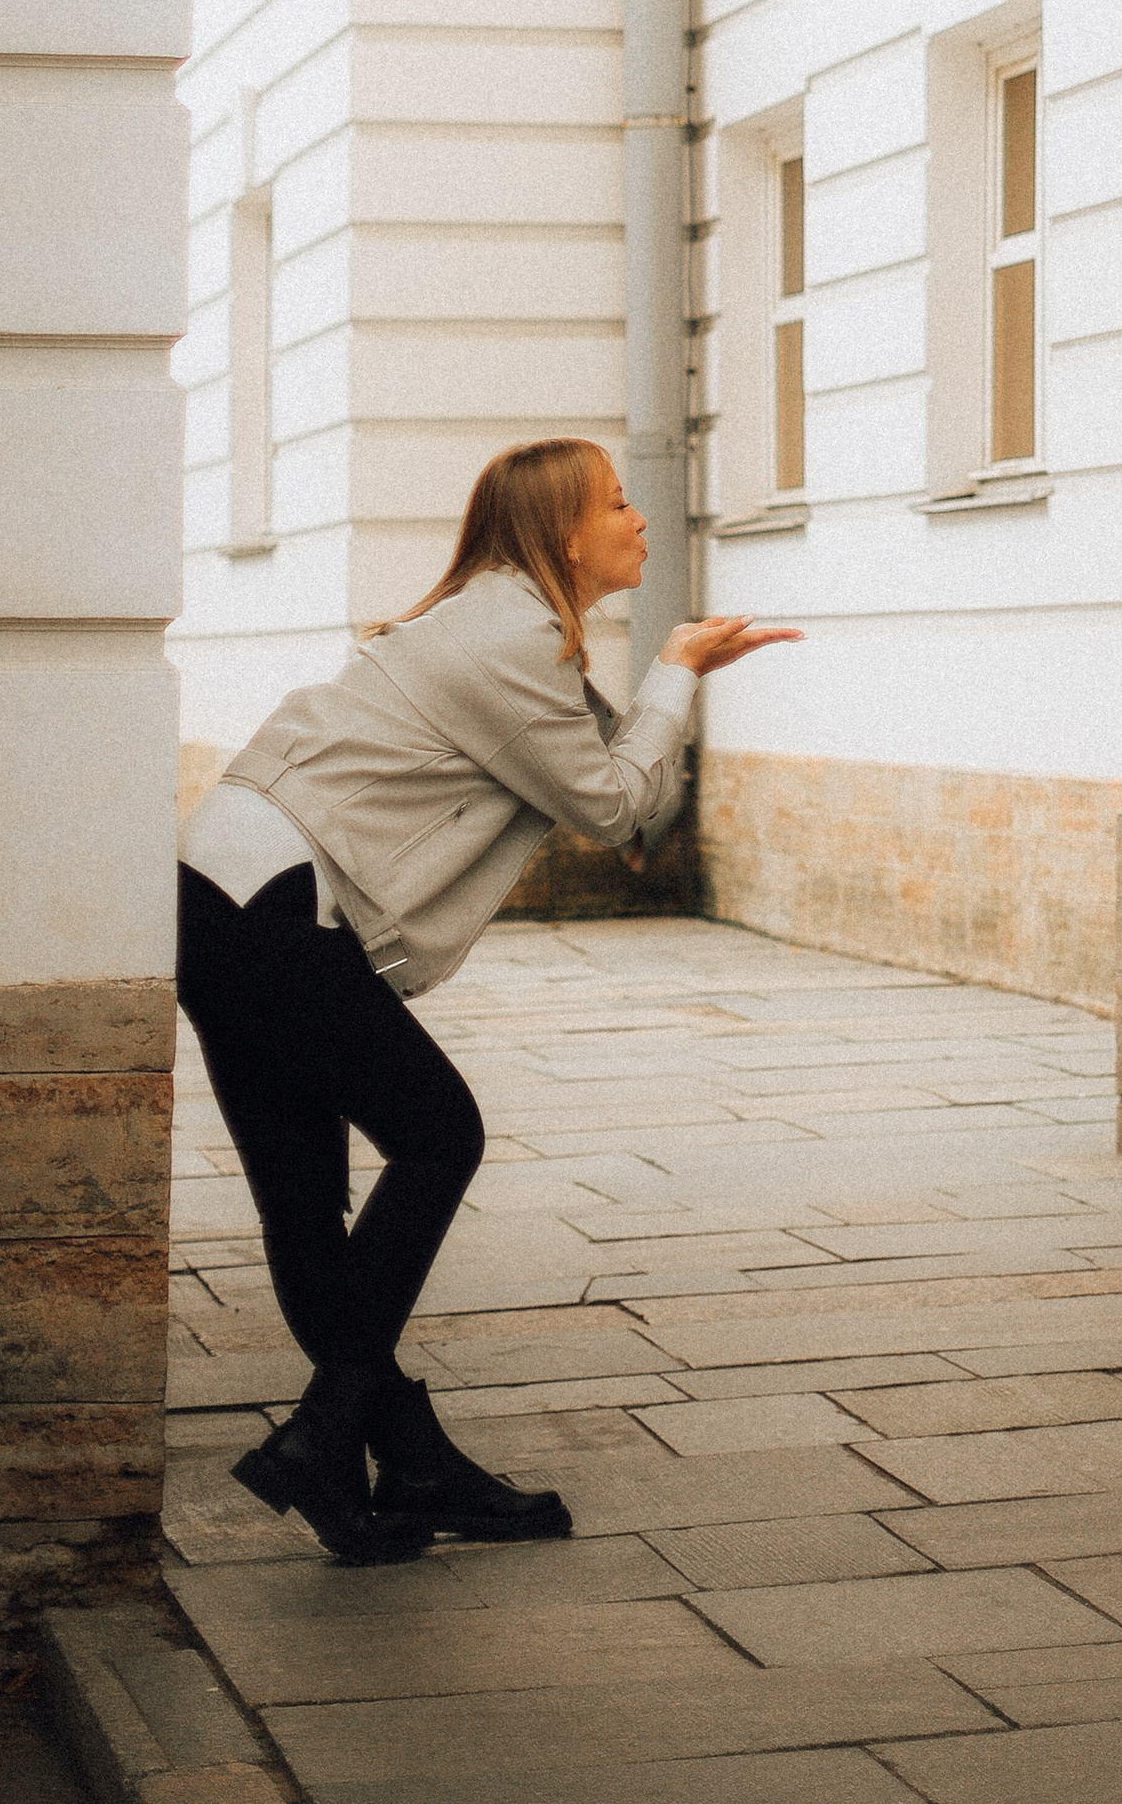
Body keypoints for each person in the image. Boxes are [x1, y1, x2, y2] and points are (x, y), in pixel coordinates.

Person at [175, 436, 798, 1562]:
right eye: (618, 503)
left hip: (219, 895)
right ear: (565, 533)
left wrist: (651, 708)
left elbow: (590, 767)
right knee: (438, 1133)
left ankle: (386, 1468)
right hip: (274, 904)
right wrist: (681, 670)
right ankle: (341, 1440)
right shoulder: (512, 635)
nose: (639, 518)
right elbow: (619, 809)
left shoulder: (498, 623)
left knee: (310, 1210)